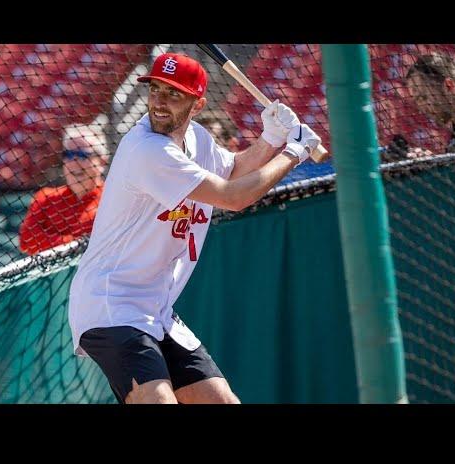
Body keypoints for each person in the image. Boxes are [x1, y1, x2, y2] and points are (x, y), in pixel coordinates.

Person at [68, 52, 321, 404]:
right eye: (155, 90)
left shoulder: (197, 139)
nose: (160, 102)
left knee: (222, 401)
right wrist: (293, 153)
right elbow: (233, 196)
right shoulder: (146, 149)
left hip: (155, 308)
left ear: (197, 104)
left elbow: (232, 170)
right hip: (111, 305)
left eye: (174, 95)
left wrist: (271, 139)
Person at [18, 124, 109, 255]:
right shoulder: (45, 197)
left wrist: (52, 240)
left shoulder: (112, 201)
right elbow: (26, 241)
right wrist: (76, 244)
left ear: (102, 162)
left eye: (83, 155)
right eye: (69, 154)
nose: (74, 162)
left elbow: (105, 246)